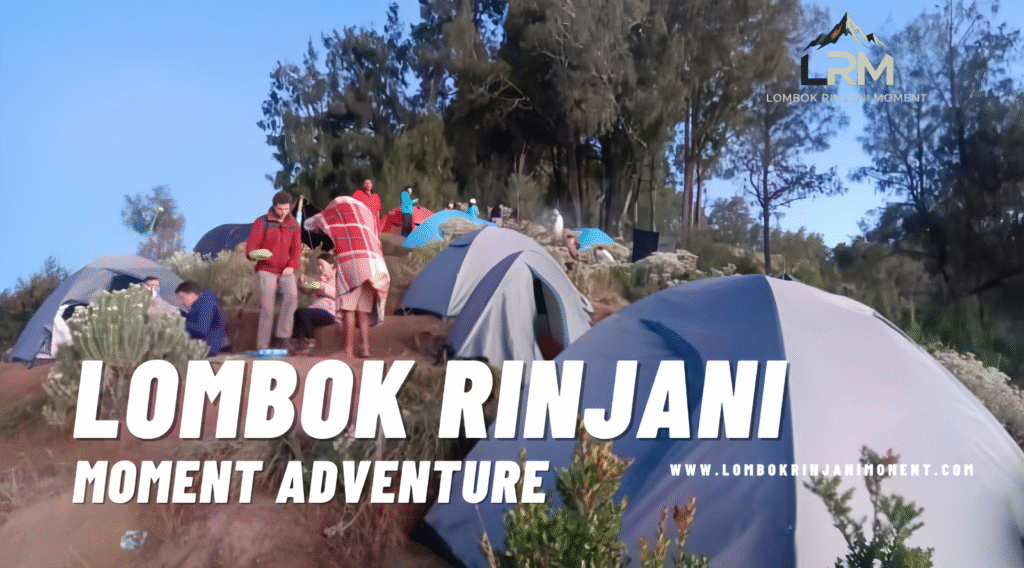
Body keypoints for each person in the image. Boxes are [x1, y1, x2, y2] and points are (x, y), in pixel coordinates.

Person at [305, 196, 390, 358]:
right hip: (374, 267)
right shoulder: (366, 222)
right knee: (363, 310)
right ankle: (365, 348)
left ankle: (348, 350)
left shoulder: (339, 217)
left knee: (348, 309)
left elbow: (316, 221)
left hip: (353, 265)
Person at [246, 190, 302, 350]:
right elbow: (250, 249)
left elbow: (296, 250)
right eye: (280, 209)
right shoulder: (262, 222)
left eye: (287, 209)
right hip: (266, 269)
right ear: (274, 206)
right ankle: (262, 345)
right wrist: (256, 254)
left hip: (286, 270)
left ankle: (282, 337)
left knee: (292, 298)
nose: (284, 213)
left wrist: (292, 266)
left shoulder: (294, 225)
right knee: (268, 308)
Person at [292, 253, 338, 355]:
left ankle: (309, 342)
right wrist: (301, 287)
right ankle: (295, 342)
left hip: (330, 312)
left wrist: (320, 286)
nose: (319, 267)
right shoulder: (319, 279)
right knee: (297, 312)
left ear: (331, 265)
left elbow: (337, 294)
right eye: (317, 265)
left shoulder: (338, 278)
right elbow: (311, 292)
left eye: (321, 264)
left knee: (304, 313)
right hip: (316, 309)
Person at [175, 280, 227, 357]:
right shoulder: (199, 303)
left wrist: (180, 322)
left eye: (182, 297)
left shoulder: (206, 304)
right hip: (204, 344)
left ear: (191, 294)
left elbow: (202, 329)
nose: (181, 301)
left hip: (209, 347)